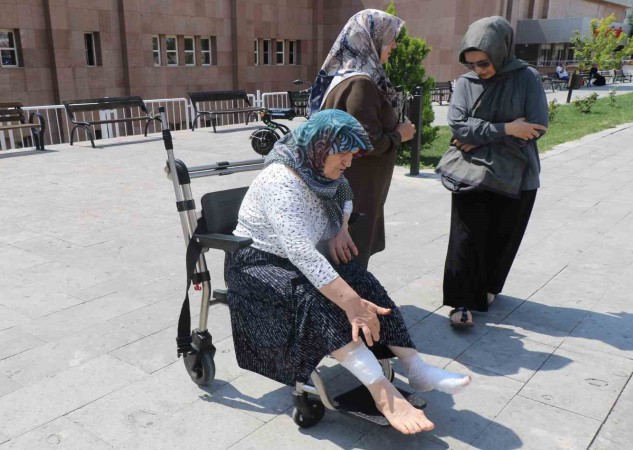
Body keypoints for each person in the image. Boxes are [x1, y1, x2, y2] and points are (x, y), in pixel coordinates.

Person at [226, 109, 470, 435]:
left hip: (297, 259)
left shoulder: (321, 172)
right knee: (318, 300)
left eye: (353, 154)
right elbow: (301, 252)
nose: (349, 162)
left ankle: (415, 366)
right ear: (319, 146)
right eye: (343, 153)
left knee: (361, 281)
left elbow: (345, 196)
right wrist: (352, 305)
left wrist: (340, 228)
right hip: (257, 264)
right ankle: (382, 392)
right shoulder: (281, 181)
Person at [436, 16, 549, 327]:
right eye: (471, 63)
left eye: (484, 63)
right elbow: (458, 127)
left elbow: (536, 127)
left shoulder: (526, 78)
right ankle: (461, 301)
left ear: (501, 51)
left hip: (518, 174)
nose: (478, 70)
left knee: (503, 237)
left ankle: (487, 288)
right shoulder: (466, 83)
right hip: (471, 172)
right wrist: (508, 128)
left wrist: (479, 137)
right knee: (465, 238)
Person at [310, 9, 416, 268]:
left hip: (349, 183)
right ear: (369, 39)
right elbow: (366, 142)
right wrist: (399, 135)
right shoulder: (361, 83)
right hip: (357, 187)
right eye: (390, 38)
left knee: (342, 259)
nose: (394, 45)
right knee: (351, 260)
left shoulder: (344, 75)